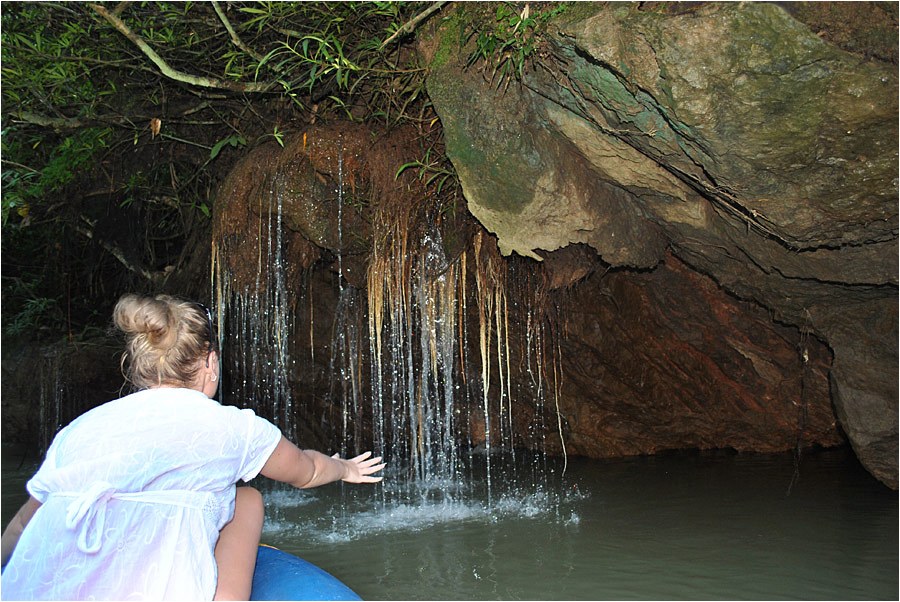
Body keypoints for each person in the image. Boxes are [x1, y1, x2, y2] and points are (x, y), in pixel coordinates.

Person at [0, 293, 385, 600]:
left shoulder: (79, 430)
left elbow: (22, 523)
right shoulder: (232, 427)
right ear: (210, 364)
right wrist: (344, 468)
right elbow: (308, 471)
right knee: (246, 499)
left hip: (32, 590)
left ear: (136, 367)